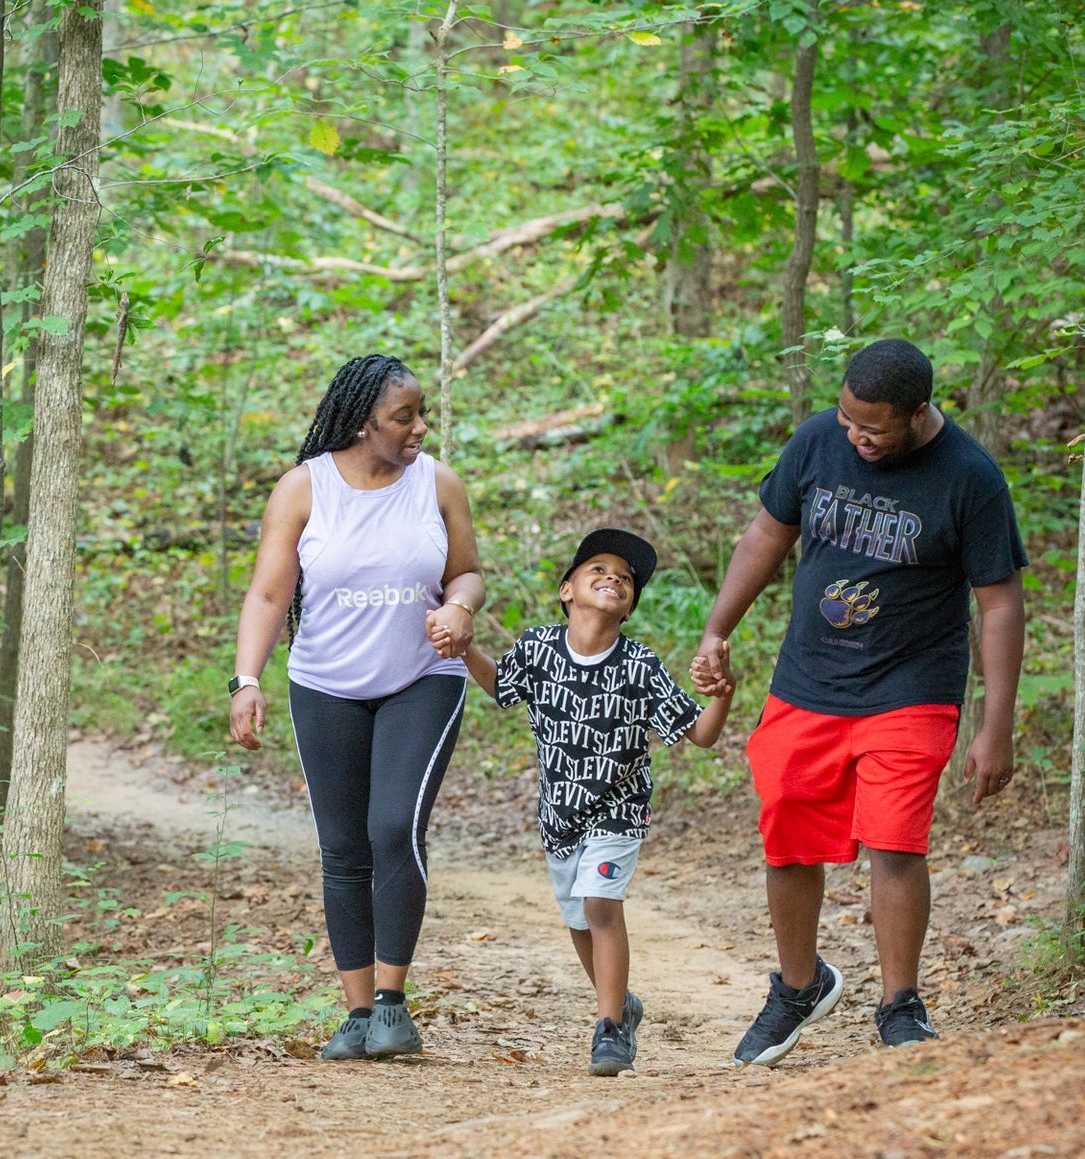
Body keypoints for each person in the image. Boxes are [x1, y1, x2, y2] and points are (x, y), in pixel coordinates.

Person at [691, 338, 1027, 1067]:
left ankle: (901, 1005)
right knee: (785, 830)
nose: (856, 436)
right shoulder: (819, 440)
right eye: (848, 419)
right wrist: (718, 628)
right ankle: (798, 986)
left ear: (915, 413)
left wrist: (995, 724)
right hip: (808, 680)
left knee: (896, 839)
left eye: (872, 427)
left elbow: (999, 603)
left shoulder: (969, 477)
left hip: (912, 686)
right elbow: (767, 533)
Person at [229, 354, 484, 1061]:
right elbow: (269, 595)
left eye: (420, 412)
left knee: (393, 825)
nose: (419, 427)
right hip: (325, 683)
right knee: (342, 848)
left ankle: (395, 1008)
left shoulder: (437, 482)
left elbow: (465, 569)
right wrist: (245, 678)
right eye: (405, 417)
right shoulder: (302, 489)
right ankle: (357, 1011)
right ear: (362, 420)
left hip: (422, 676)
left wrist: (460, 606)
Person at [433, 529, 735, 1075]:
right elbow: (502, 687)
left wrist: (723, 695)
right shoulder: (538, 648)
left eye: (624, 579)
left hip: (617, 811)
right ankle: (619, 1001)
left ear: (630, 606)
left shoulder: (638, 665)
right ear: (567, 589)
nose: (613, 579)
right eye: (598, 570)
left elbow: (701, 734)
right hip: (560, 815)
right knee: (578, 919)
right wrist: (463, 647)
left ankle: (609, 1030)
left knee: (599, 905)